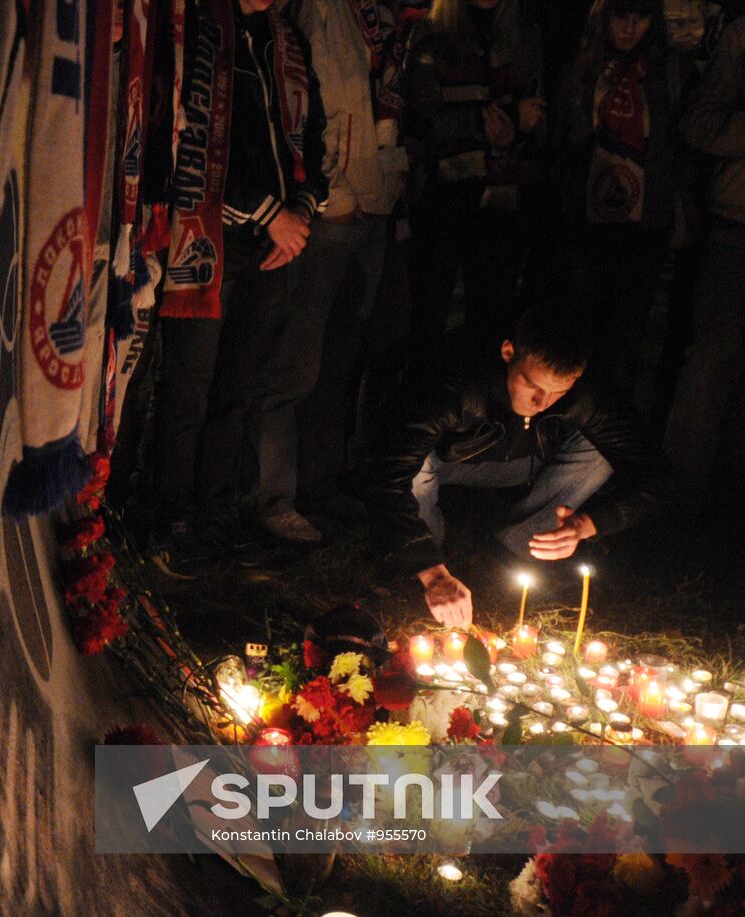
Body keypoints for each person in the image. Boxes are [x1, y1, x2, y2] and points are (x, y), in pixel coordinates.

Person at [149, 0, 328, 578]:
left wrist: (300, 210)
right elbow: (184, 138)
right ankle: (169, 516)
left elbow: (314, 138)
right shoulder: (197, 25)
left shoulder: (286, 41)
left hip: (274, 245)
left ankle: (213, 511)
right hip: (208, 236)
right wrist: (269, 212)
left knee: (238, 385)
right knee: (189, 386)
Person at [366, 306, 670, 626]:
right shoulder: (454, 383)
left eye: (559, 391)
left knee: (599, 451)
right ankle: (426, 561)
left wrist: (588, 525)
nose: (542, 403)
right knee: (413, 469)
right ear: (509, 352)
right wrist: (430, 571)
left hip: (525, 461)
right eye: (533, 385)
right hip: (448, 460)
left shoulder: (588, 394)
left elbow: (658, 475)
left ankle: (515, 548)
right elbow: (386, 472)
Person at [289, 0, 407, 524]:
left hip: (374, 201)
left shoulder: (380, 15)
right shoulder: (321, 9)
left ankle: (325, 480)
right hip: (336, 205)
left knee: (345, 353)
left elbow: (387, 97)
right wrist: (331, 192)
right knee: (306, 354)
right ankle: (286, 487)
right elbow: (311, 102)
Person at [559, 0, 697, 403]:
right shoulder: (583, 71)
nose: (629, 26)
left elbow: (683, 138)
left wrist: (671, 183)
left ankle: (608, 431)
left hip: (644, 225)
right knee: (581, 328)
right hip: (588, 221)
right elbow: (565, 141)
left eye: (639, 16)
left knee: (627, 334)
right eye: (621, 15)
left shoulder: (668, 73)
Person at [403, 0, 548, 358]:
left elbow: (540, 120)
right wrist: (494, 124)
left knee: (491, 325)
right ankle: (425, 405)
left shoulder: (524, 40)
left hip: (501, 198)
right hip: (443, 197)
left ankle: (480, 408)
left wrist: (518, 132)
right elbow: (421, 120)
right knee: (429, 321)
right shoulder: (430, 36)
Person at [663, 15, 745, 502]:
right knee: (710, 363)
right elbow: (699, 124)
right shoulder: (740, 36)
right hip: (737, 225)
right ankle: (676, 494)